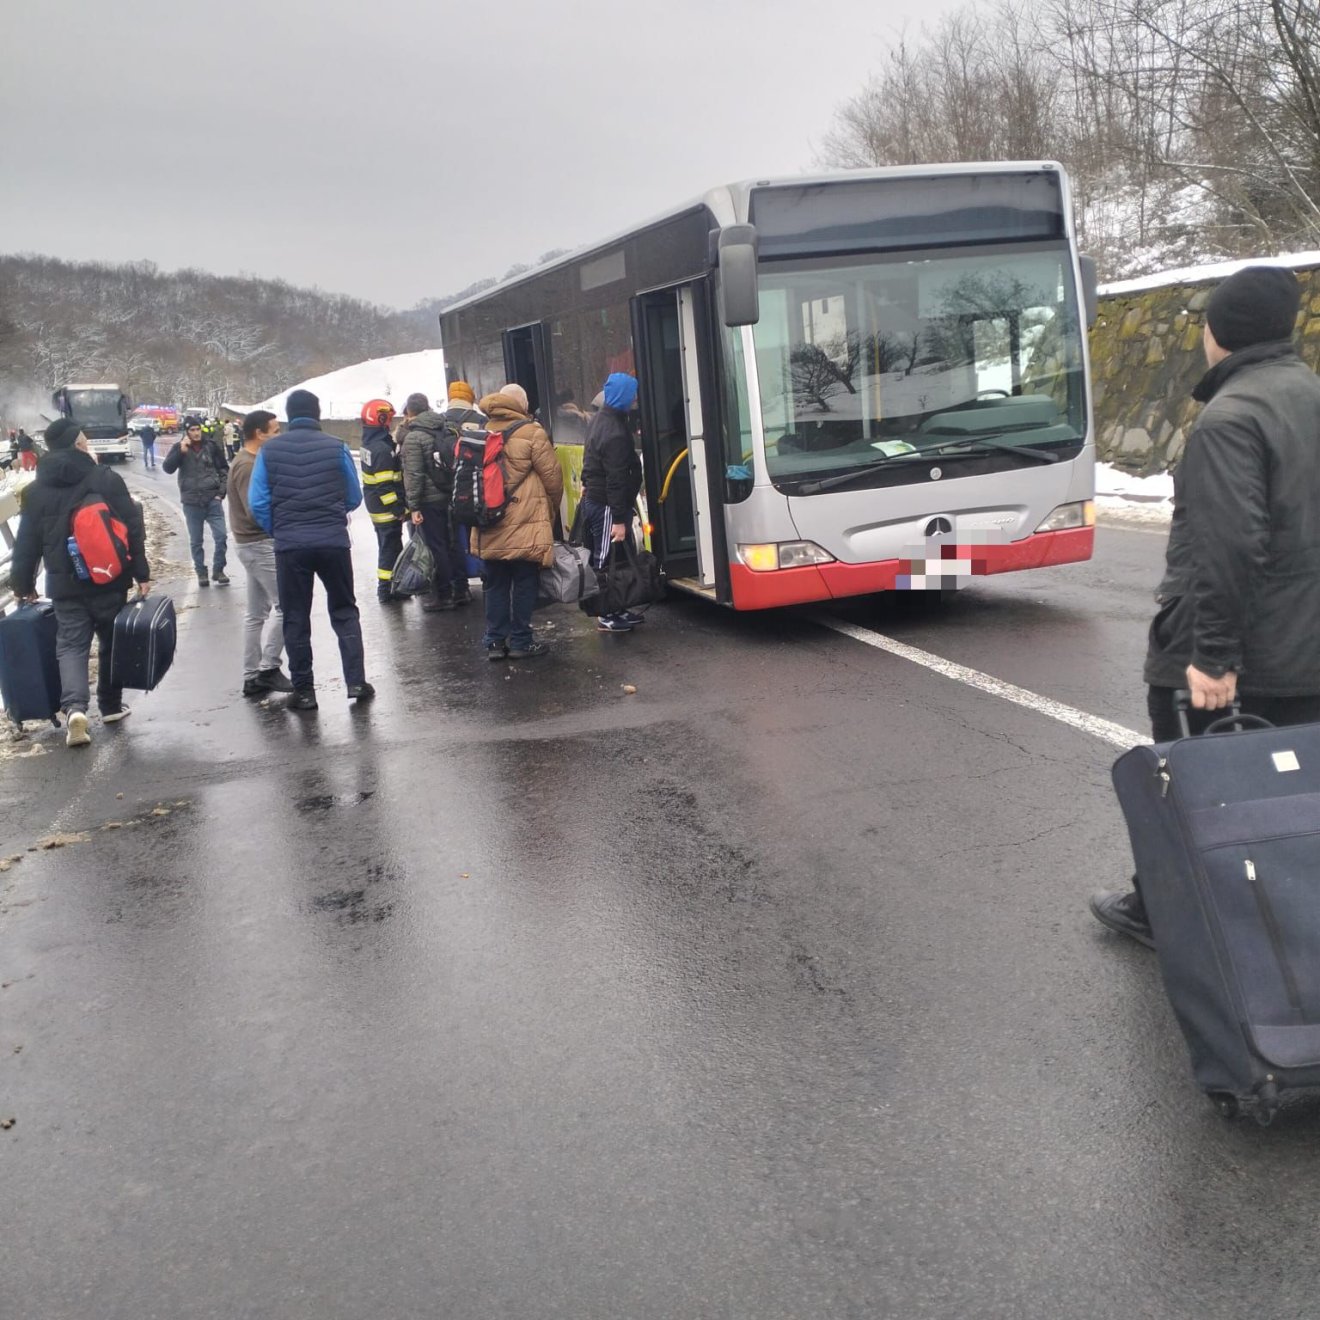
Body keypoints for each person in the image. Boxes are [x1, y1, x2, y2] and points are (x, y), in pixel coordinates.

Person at [1091, 265, 1320, 948]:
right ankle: (1284, 925)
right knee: (1290, 794)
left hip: (1238, 655)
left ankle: (1165, 914)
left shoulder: (1231, 418)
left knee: (1184, 786)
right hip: (1305, 649)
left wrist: (1211, 658)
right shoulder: (1308, 395)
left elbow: (1227, 546)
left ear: (1218, 331)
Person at [8, 417, 151, 747]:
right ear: (77, 443)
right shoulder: (105, 479)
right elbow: (132, 527)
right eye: (83, 439)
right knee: (111, 640)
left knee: (71, 645)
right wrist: (141, 572)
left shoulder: (35, 490)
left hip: (63, 583)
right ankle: (111, 705)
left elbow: (26, 543)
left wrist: (23, 584)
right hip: (109, 578)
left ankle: (75, 709)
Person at [248, 388, 374, 710]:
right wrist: (332, 514)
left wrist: (280, 529)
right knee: (345, 611)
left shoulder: (269, 451)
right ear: (317, 414)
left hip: (291, 547)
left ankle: (304, 691)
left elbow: (258, 502)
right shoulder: (337, 447)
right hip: (333, 542)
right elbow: (353, 495)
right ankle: (356, 682)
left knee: (295, 617)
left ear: (290, 416)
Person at [474, 384, 563, 660]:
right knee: (524, 581)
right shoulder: (532, 432)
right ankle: (522, 641)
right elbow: (553, 478)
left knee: (496, 583)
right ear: (522, 406)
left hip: (488, 521)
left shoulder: (481, 432)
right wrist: (550, 511)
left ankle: (494, 642)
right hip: (523, 521)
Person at [227, 410, 293, 698]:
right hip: (258, 543)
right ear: (259, 434)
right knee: (287, 606)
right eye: (275, 430)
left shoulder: (250, 461)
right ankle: (268, 667)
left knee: (256, 614)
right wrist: (282, 522)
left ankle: (251, 676)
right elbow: (255, 510)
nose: (279, 435)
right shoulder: (248, 466)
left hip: (251, 544)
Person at [579, 372, 645, 633]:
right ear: (624, 396)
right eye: (633, 394)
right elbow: (616, 479)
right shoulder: (615, 432)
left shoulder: (599, 420)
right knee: (605, 559)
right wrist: (619, 519)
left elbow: (589, 461)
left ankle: (616, 607)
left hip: (600, 500)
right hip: (607, 505)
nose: (635, 399)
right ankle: (605, 613)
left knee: (612, 557)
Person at [398, 392, 458, 612]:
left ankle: (443, 594)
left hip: (429, 501)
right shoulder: (445, 428)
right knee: (452, 543)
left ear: (411, 412)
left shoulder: (414, 438)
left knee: (435, 547)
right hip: (450, 495)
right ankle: (460, 589)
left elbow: (413, 475)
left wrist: (413, 507)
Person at [163, 419, 230, 587]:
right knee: (196, 541)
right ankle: (201, 572)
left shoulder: (211, 446)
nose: (196, 432)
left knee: (221, 536)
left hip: (212, 499)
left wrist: (220, 493)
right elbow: (168, 468)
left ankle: (219, 569)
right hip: (191, 501)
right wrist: (180, 451)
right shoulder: (180, 448)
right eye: (192, 430)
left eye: (198, 429)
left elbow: (223, 469)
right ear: (187, 432)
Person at [440, 380, 486, 606]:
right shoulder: (482, 421)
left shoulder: (442, 422)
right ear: (470, 397)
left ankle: (461, 588)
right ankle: (489, 580)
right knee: (483, 533)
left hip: (453, 489)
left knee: (455, 541)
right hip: (481, 486)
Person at [358, 398, 407, 604]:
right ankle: (386, 589)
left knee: (388, 545)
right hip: (385, 507)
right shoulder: (381, 449)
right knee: (390, 546)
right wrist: (397, 508)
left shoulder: (371, 442)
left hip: (376, 505)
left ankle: (392, 586)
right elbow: (385, 484)